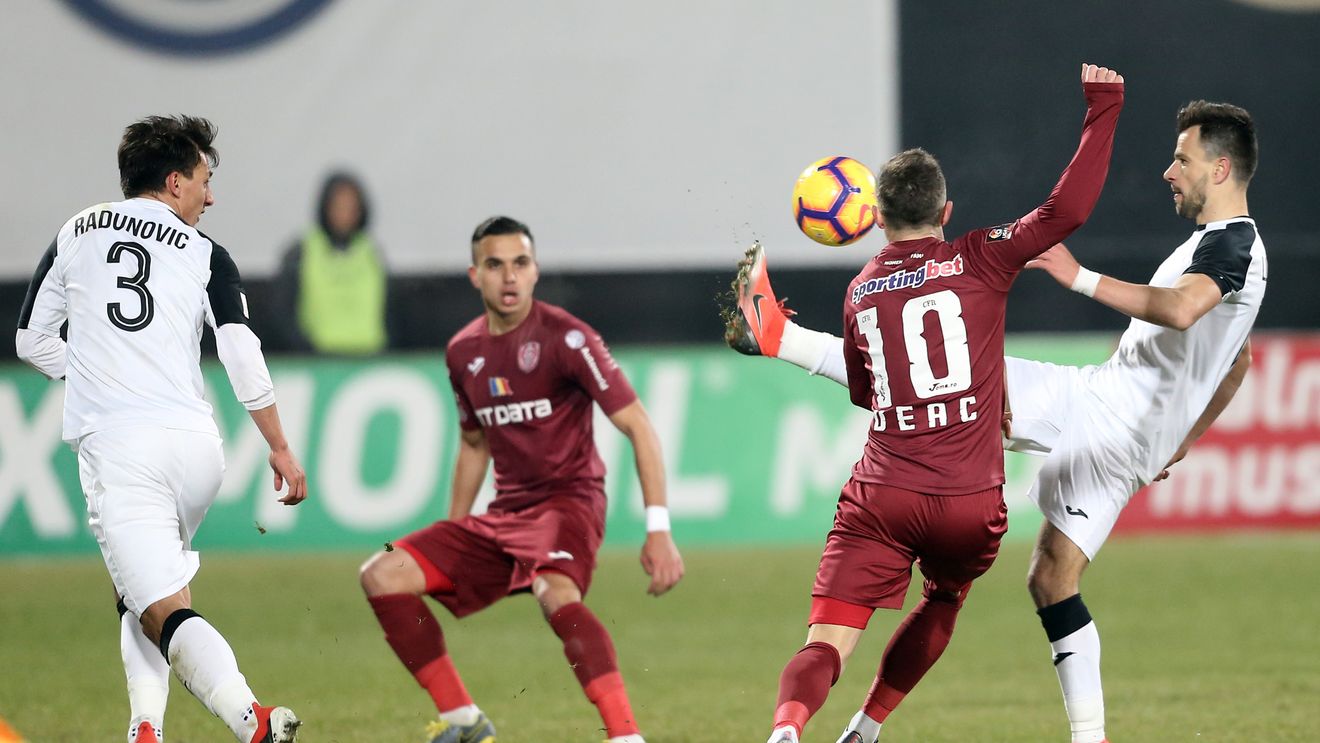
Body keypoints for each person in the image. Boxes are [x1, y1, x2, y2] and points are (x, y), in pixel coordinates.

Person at [729, 99, 1262, 743]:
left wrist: (1081, 278)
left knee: (941, 377)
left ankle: (781, 337)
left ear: (1222, 166)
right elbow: (1239, 360)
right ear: (944, 212)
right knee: (1049, 578)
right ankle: (1086, 739)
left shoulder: (1237, 245)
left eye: (1183, 157)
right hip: (1104, 402)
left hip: (1118, 425)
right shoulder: (1206, 245)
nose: (1169, 170)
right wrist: (1187, 437)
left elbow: (1180, 311)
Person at [14, 116, 307, 743]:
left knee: (161, 609)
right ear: (174, 182)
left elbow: (31, 341)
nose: (210, 195)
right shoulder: (207, 253)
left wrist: (92, 374)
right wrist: (279, 444)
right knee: (141, 587)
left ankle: (250, 720)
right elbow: (239, 351)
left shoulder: (75, 231)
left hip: (122, 450)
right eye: (205, 180)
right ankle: (144, 728)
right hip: (196, 448)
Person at [358, 216, 685, 743]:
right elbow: (472, 443)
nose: (509, 277)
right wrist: (456, 532)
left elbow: (639, 426)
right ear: (474, 276)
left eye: (520, 263)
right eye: (495, 265)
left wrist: (659, 529)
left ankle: (626, 737)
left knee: (554, 592)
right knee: (382, 574)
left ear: (535, 272)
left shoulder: (570, 339)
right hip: (505, 513)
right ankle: (465, 721)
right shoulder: (463, 352)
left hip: (569, 504)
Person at [272, 171, 389, 354]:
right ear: (325, 207)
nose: (345, 215)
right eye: (339, 206)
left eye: (351, 208)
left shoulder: (372, 254)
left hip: (369, 357)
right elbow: (284, 311)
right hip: (319, 359)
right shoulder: (301, 253)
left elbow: (390, 310)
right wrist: (304, 350)